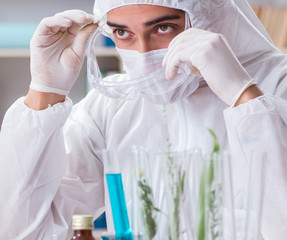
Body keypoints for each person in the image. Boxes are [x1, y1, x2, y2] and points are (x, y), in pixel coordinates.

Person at [1, 0, 287, 239]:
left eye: (163, 28)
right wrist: (44, 91)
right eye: (123, 33)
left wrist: (245, 97)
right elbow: (25, 232)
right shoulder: (110, 107)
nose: (143, 54)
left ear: (211, 19)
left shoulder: (279, 84)